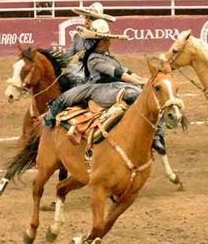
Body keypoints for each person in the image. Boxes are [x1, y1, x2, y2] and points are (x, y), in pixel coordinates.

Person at [42, 19, 168, 155]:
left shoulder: (107, 57)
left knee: (146, 94)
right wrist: (138, 82)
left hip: (113, 86)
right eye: (107, 39)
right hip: (100, 90)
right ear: (100, 42)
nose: (110, 42)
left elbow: (124, 70)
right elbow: (116, 72)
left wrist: (141, 80)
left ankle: (156, 135)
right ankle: (151, 136)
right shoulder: (93, 59)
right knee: (134, 94)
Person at [65, 2, 117, 85]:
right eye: (86, 17)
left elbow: (101, 58)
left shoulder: (101, 37)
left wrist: (81, 56)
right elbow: (67, 57)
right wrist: (71, 59)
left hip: (94, 71)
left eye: (91, 18)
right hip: (77, 68)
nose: (87, 21)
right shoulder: (77, 36)